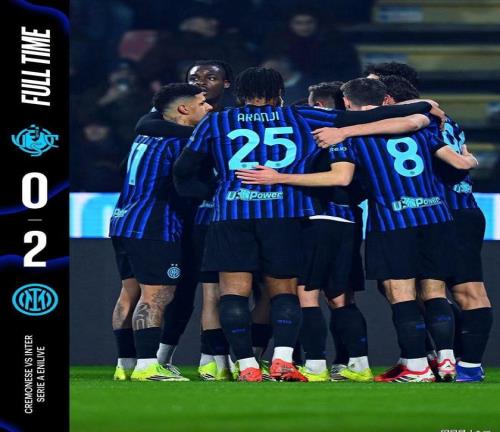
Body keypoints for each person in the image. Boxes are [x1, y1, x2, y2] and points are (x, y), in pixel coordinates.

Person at [173, 67, 435, 382]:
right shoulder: (301, 116)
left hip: (233, 213)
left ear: (239, 94)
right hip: (285, 214)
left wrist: (212, 192)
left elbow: (184, 169)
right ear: (279, 92)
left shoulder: (216, 121)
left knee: (233, 293)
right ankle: (283, 360)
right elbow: (360, 118)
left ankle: (247, 364)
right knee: (284, 291)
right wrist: (423, 106)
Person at [237, 78, 479, 382]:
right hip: (436, 217)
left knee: (400, 294)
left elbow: (341, 178)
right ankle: (445, 361)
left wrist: (279, 177)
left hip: (393, 220)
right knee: (433, 292)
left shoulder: (346, 136)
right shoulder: (420, 125)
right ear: (385, 99)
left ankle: (415, 366)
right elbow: (458, 162)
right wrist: (469, 156)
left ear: (347, 103)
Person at [379, 74, 493, 383]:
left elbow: (456, 161)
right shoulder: (447, 120)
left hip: (442, 212)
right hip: (463, 208)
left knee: (440, 290)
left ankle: (457, 362)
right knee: (434, 289)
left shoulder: (416, 121)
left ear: (389, 99)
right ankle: (452, 361)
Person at [109, 83, 212, 381]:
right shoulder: (180, 143)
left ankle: (125, 364)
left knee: (129, 293)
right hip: (155, 225)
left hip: (123, 219)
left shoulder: (145, 136)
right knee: (158, 294)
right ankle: (147, 365)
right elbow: (186, 186)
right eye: (202, 103)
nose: (208, 108)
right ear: (183, 109)